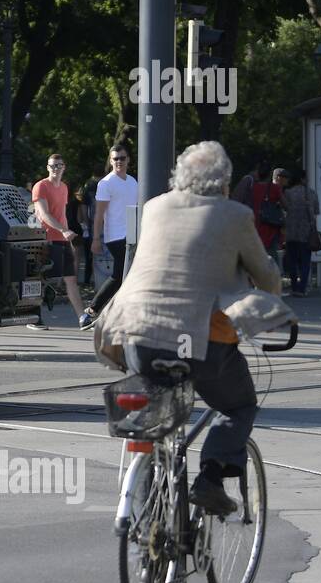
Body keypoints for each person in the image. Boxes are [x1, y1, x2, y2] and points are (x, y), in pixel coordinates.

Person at [93, 141, 291, 516]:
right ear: (225, 184)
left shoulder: (154, 208)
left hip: (132, 334)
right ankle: (211, 479)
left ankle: (151, 519)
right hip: (198, 341)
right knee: (238, 404)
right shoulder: (233, 215)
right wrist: (269, 298)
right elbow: (267, 277)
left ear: (178, 179)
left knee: (159, 404)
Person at [28, 154, 87, 329]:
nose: (55, 169)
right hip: (46, 239)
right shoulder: (41, 187)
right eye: (52, 166)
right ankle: (35, 317)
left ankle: (83, 318)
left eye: (59, 166)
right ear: (47, 167)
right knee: (44, 279)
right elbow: (44, 214)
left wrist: (66, 235)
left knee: (70, 279)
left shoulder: (64, 188)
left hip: (61, 238)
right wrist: (64, 230)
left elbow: (62, 214)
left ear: (64, 167)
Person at [85, 146, 138, 323]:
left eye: (122, 158)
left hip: (132, 234)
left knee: (124, 275)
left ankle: (101, 311)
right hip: (115, 235)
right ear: (110, 160)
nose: (119, 162)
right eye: (115, 159)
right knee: (121, 275)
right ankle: (94, 310)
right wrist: (95, 239)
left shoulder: (133, 182)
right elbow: (99, 214)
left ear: (128, 160)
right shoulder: (106, 183)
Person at [281, 168, 318, 296]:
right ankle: (302, 289)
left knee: (292, 262)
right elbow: (316, 213)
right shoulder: (312, 193)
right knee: (305, 262)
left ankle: (294, 287)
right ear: (303, 179)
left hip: (291, 231)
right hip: (306, 232)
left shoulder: (287, 193)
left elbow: (284, 210)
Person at [251, 167, 287, 272]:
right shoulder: (274, 188)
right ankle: (271, 283)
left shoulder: (253, 187)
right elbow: (286, 205)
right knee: (272, 256)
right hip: (270, 226)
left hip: (255, 225)